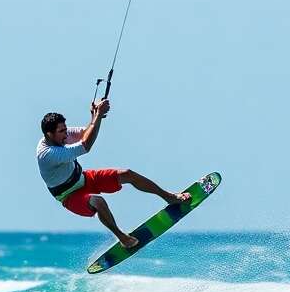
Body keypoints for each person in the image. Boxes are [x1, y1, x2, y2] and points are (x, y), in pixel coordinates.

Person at [36, 98, 189, 249]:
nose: (66, 134)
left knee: (127, 174)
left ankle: (169, 197)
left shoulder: (60, 137)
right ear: (49, 134)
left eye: (65, 129)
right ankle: (122, 238)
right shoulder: (48, 154)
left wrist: (96, 115)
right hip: (69, 195)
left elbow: (85, 133)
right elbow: (85, 145)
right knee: (98, 201)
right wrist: (97, 116)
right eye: (61, 131)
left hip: (83, 178)